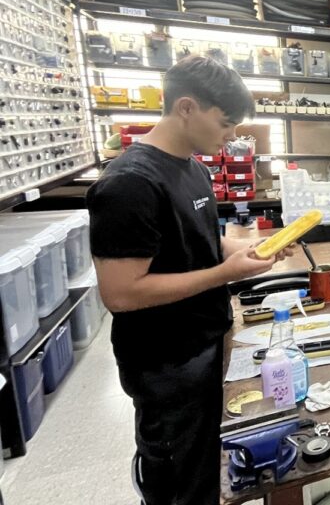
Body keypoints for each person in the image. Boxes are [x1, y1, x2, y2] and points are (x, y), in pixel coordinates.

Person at [87, 56, 294, 505]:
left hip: (206, 342)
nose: (232, 136)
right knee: (179, 486)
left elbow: (202, 240)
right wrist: (224, 273)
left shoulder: (194, 167)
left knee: (206, 473)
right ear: (186, 107)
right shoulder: (129, 184)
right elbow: (120, 293)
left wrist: (252, 249)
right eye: (225, 123)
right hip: (166, 363)